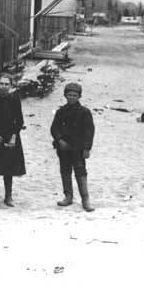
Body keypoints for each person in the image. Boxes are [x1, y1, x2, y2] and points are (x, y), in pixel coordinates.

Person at [50, 82, 95, 212]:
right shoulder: (61, 112)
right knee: (65, 171)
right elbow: (54, 128)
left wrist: (87, 148)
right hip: (64, 148)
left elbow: (89, 131)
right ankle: (68, 196)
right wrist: (59, 140)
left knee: (80, 172)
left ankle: (85, 199)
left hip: (78, 149)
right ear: (65, 95)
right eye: (69, 95)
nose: (72, 97)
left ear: (79, 96)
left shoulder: (85, 112)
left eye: (75, 95)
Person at [0, 74, 26, 207]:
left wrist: (14, 136)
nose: (4, 86)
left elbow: (19, 121)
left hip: (11, 136)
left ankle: (8, 196)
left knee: (9, 168)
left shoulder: (14, 101)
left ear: (11, 86)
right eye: (2, 84)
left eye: (6, 84)